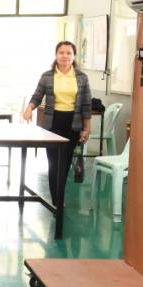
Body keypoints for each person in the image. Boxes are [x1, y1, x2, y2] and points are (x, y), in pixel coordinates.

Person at [23, 40, 93, 211]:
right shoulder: (47, 76)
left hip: (72, 124)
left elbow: (86, 104)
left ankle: (59, 196)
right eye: (61, 52)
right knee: (53, 162)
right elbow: (37, 95)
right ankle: (56, 199)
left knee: (65, 162)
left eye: (69, 53)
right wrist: (29, 109)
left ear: (74, 56)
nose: (65, 56)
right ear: (56, 55)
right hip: (52, 124)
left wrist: (87, 128)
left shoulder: (81, 77)